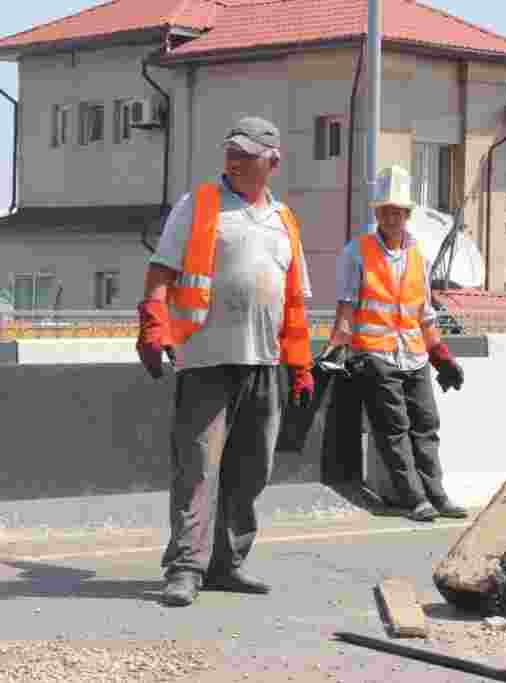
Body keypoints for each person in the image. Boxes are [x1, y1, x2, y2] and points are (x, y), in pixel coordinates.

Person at [135, 116, 315, 607]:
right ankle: (185, 569)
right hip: (207, 360)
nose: (234, 160)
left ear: (272, 161)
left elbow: (294, 299)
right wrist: (154, 323)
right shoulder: (200, 205)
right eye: (231, 151)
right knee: (197, 468)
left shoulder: (285, 221)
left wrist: (300, 366)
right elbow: (161, 271)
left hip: (265, 364)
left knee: (251, 470)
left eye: (247, 153)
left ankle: (227, 565)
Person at [326, 165, 468, 523]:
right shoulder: (356, 252)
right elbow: (346, 306)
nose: (391, 217)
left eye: (398, 211)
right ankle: (413, 498)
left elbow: (425, 314)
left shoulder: (419, 255)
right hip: (375, 355)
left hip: (415, 355)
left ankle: (437, 494)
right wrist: (338, 348)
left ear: (407, 215)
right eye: (385, 211)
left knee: (427, 425)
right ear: (377, 214)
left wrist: (442, 357)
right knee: (394, 428)